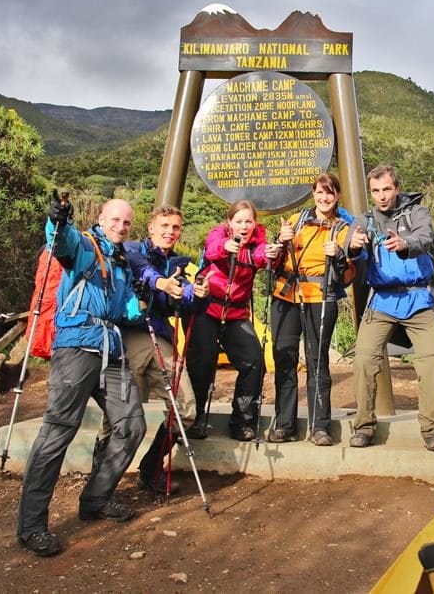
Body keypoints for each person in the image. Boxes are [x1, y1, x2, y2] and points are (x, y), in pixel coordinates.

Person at [16, 198, 172, 557]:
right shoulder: (85, 246)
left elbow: (123, 310)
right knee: (58, 433)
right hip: (76, 348)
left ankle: (96, 499)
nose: (121, 226)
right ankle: (32, 526)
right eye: (115, 219)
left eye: (127, 222)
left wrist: (141, 301)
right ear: (101, 219)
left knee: (132, 424)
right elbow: (62, 240)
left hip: (110, 350)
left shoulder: (119, 262)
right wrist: (56, 221)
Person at [347, 165, 434, 453]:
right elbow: (351, 244)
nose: (381, 196)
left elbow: (425, 238)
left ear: (397, 188)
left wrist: (405, 244)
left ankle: (432, 430)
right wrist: (353, 246)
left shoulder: (417, 213)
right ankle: (364, 426)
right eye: (376, 191)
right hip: (383, 301)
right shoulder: (365, 219)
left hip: (418, 300)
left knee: (432, 363)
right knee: (364, 359)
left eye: (386, 189)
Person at [122, 205, 210, 494]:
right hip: (130, 334)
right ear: (151, 227)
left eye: (175, 227)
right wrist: (161, 283)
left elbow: (184, 299)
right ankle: (103, 481)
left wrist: (195, 295)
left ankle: (150, 469)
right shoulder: (131, 249)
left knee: (186, 409)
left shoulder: (178, 264)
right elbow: (141, 270)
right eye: (165, 226)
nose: (170, 232)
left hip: (160, 336)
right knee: (120, 414)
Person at [269, 173, 359, 446]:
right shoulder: (295, 222)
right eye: (320, 192)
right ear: (313, 193)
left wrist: (340, 255)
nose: (324, 197)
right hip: (285, 297)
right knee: (284, 360)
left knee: (317, 361)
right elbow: (275, 261)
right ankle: (285, 424)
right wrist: (280, 241)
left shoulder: (343, 229)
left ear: (338, 196)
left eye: (330, 193)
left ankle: (319, 426)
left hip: (320, 297)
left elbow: (348, 274)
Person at [185, 200, 281, 441]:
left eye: (249, 221)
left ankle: (243, 421)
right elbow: (211, 248)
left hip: (236, 313)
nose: (244, 226)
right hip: (207, 308)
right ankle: (193, 418)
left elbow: (261, 255)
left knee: (254, 361)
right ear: (230, 222)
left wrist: (272, 255)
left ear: (255, 223)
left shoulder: (259, 239)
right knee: (202, 362)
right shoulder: (219, 234)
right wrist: (226, 247)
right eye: (239, 221)